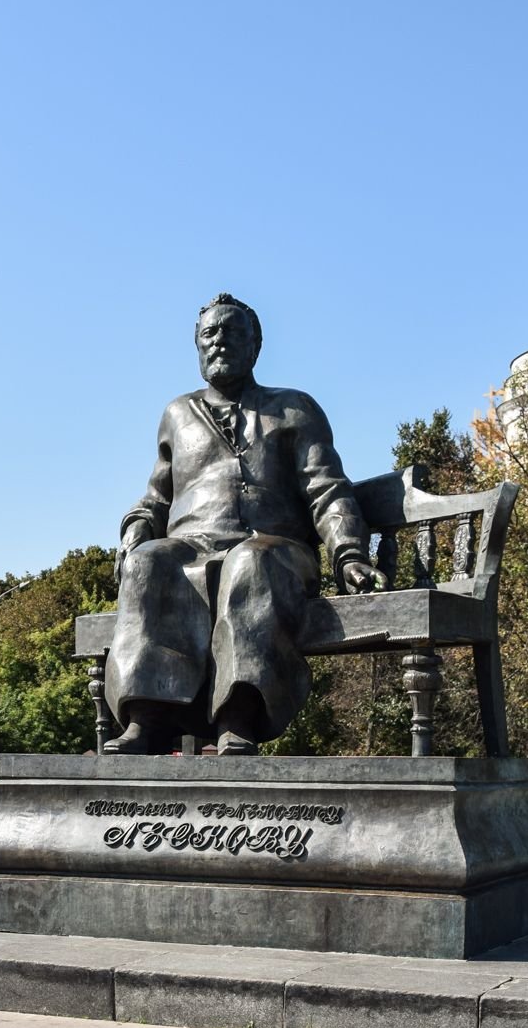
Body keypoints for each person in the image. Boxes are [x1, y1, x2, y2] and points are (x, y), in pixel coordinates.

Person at [104, 294, 377, 755]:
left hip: (275, 550)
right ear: (197, 347)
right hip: (190, 549)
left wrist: (349, 554)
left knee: (249, 563)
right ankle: (148, 717)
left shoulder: (293, 409)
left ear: (256, 345)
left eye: (232, 332)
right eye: (209, 334)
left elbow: (326, 489)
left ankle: (239, 717)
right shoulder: (176, 414)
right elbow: (156, 498)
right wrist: (136, 530)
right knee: (149, 563)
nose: (220, 342)